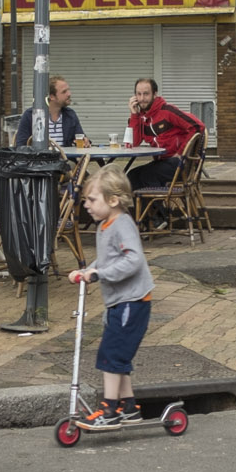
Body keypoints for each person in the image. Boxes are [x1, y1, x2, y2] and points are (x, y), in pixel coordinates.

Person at [67, 167, 155, 428]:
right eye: (86, 200)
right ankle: (129, 407)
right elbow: (106, 260)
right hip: (119, 300)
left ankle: (110, 410)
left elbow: (134, 260)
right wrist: (87, 271)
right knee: (117, 355)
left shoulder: (122, 225)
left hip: (133, 300)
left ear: (113, 200)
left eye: (92, 200)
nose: (86, 206)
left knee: (111, 356)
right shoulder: (105, 226)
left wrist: (100, 274)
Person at [125, 78, 205, 190]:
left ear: (155, 94)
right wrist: (134, 115)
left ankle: (160, 208)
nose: (142, 99)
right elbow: (134, 143)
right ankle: (147, 208)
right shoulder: (141, 118)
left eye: (146, 94)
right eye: (139, 94)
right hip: (162, 163)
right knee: (131, 176)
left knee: (147, 176)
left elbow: (198, 126)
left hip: (181, 164)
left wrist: (181, 153)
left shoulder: (168, 111)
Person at [14, 75, 89, 147]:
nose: (69, 94)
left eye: (68, 90)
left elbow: (80, 137)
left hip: (66, 159)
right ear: (52, 96)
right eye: (64, 92)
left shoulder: (70, 114)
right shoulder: (31, 115)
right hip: (40, 159)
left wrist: (85, 141)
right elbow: (21, 145)